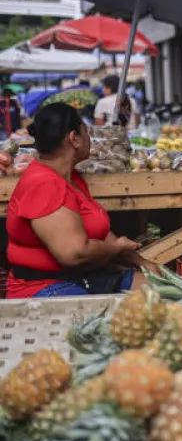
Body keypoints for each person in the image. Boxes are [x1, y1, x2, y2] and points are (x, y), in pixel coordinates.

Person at [5, 103, 160, 299]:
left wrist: (140, 262)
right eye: (86, 132)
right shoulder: (44, 185)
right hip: (46, 285)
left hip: (86, 276)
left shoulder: (71, 177)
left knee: (161, 292)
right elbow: (75, 254)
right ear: (74, 139)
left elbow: (100, 231)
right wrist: (116, 248)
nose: (90, 140)